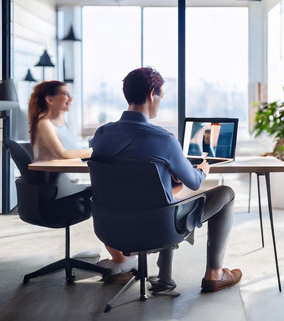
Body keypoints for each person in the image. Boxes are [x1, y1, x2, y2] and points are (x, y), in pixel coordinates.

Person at [90, 67, 241, 293]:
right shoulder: (164, 139)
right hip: (157, 229)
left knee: (166, 193)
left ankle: (164, 277)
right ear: (152, 94)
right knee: (225, 193)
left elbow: (124, 176)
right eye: (161, 96)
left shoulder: (101, 135)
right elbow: (194, 183)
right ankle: (214, 274)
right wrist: (202, 169)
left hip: (110, 229)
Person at [28, 81, 136, 274]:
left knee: (116, 190)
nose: (70, 99)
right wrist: (95, 151)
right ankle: (119, 257)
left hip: (66, 185)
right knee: (107, 196)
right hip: (57, 195)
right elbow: (62, 153)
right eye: (65, 94)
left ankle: (125, 251)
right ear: (50, 99)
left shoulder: (61, 123)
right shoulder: (44, 123)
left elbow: (71, 149)